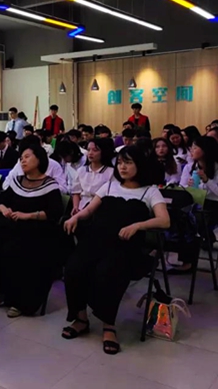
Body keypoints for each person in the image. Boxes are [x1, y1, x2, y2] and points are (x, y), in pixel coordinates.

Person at [63, 146, 170, 355]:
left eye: (128, 163)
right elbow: (89, 210)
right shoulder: (109, 186)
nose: (122, 167)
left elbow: (164, 220)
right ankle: (81, 318)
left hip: (125, 247)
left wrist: (138, 226)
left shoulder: (149, 191)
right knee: (74, 268)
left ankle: (108, 325)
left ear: (140, 166)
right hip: (96, 241)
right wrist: (75, 217)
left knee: (107, 272)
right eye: (120, 162)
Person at [0, 144, 64, 316]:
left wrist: (28, 215)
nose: (23, 161)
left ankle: (20, 300)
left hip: (37, 230)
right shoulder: (17, 181)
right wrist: (4, 209)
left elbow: (54, 213)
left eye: (27, 157)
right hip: (13, 226)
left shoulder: (50, 185)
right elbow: (2, 201)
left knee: (15, 251)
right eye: (21, 158)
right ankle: (0, 293)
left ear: (39, 159)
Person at [177, 136, 218, 273]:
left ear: (205, 150)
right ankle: (187, 258)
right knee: (183, 219)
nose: (191, 150)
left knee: (190, 222)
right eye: (191, 147)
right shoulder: (189, 167)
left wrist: (206, 180)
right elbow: (181, 188)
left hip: (213, 206)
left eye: (195, 147)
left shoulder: (216, 168)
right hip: (195, 203)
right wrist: (188, 186)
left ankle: (188, 261)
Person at [3, 135, 68, 193]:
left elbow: (63, 189)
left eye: (27, 156)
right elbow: (6, 184)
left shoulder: (53, 165)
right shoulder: (21, 164)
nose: (23, 160)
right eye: (22, 157)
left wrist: (41, 189)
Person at [71, 138, 115, 215]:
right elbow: (76, 192)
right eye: (88, 150)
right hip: (82, 207)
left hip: (101, 209)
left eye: (95, 150)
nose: (90, 153)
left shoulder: (111, 172)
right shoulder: (81, 170)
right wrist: (75, 207)